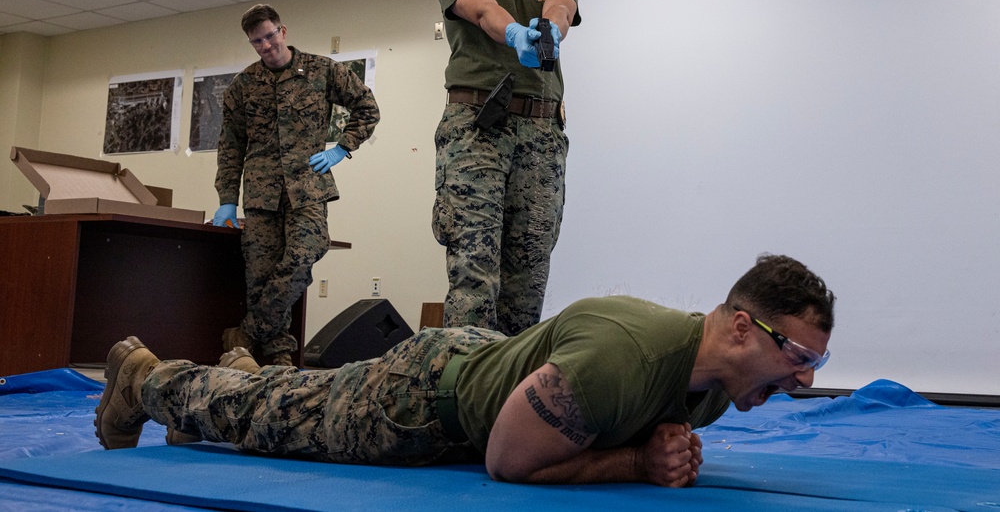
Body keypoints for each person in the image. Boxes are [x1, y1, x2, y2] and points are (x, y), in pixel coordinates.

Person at [95, 254, 835, 487]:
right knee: (268, 421)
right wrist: (641, 459)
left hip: (481, 361)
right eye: (796, 358)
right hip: (423, 398)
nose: (802, 380)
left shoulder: (716, 381)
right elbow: (509, 460)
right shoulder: (627, 356)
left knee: (286, 393)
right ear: (742, 326)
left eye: (815, 364)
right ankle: (146, 377)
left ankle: (240, 365)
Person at [433, 0, 582, 336]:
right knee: (474, 265)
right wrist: (515, 31)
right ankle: (463, 394)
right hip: (477, 127)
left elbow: (560, 6)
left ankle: (511, 395)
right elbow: (483, 9)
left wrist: (550, 31)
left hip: (541, 134)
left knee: (530, 269)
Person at [213, 4, 380, 367]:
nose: (266, 46)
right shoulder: (243, 86)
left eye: (270, 36)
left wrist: (342, 149)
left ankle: (246, 333)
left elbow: (367, 108)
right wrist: (227, 198)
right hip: (260, 193)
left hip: (307, 186)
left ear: (283, 31)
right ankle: (278, 355)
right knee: (260, 274)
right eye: (257, 42)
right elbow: (230, 146)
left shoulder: (322, 71)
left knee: (305, 253)